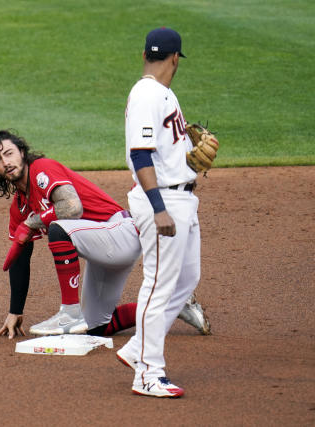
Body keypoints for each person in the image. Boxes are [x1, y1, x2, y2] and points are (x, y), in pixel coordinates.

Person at [0, 130, 210, 340]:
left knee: (59, 229)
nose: (5, 162)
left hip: (121, 232)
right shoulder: (19, 207)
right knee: (97, 327)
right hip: (103, 249)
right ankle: (175, 303)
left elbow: (72, 207)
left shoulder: (41, 170)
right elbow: (20, 260)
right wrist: (15, 310)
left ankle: (69, 312)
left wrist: (32, 222)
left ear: (22, 153)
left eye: (9, 153)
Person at [116, 27, 204, 398]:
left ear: (145, 55)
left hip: (179, 197)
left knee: (186, 279)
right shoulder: (147, 94)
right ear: (175, 59)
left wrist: (189, 144)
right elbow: (140, 154)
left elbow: (164, 149)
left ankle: (138, 349)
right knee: (158, 285)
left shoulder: (161, 93)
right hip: (162, 201)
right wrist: (159, 209)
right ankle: (148, 374)